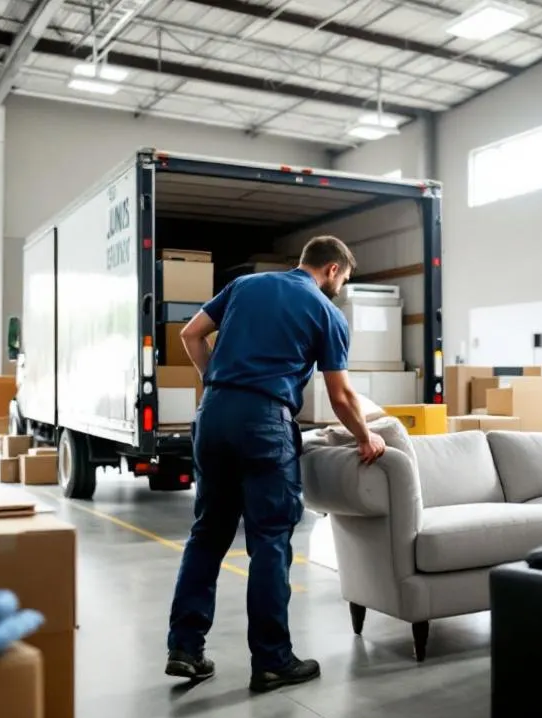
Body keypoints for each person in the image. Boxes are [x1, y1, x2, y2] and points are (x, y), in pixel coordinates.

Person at [164, 235, 387, 693]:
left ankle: (185, 649)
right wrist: (367, 437)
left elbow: (190, 334)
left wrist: (220, 383)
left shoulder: (247, 285)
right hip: (264, 421)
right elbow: (341, 395)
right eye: (342, 279)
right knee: (269, 539)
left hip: (214, 414)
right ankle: (271, 660)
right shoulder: (326, 313)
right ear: (331, 269)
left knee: (207, 532)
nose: (340, 287)